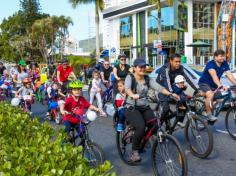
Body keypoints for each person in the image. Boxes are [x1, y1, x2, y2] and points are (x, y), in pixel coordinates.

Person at [124, 58, 177, 163]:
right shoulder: (130, 77)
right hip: (131, 107)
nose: (143, 69)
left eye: (144, 67)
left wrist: (171, 94)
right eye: (140, 67)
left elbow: (159, 87)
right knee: (141, 126)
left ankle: (143, 139)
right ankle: (135, 152)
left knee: (156, 125)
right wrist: (132, 95)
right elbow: (127, 89)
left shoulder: (147, 79)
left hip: (144, 107)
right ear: (135, 68)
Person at [156, 53, 200, 125]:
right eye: (176, 62)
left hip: (172, 88)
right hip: (161, 89)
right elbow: (167, 82)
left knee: (183, 100)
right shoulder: (165, 69)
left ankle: (179, 121)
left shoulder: (181, 68)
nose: (178, 63)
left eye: (179, 62)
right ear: (171, 61)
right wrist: (172, 93)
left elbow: (189, 78)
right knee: (166, 109)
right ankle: (158, 125)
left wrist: (198, 89)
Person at [198, 49, 236, 122]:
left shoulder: (224, 63)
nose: (223, 58)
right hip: (205, 83)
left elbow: (229, 75)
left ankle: (204, 96)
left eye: (223, 56)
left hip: (214, 85)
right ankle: (209, 115)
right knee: (210, 94)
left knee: (221, 97)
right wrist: (220, 85)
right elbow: (214, 76)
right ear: (215, 57)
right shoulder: (210, 64)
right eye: (221, 56)